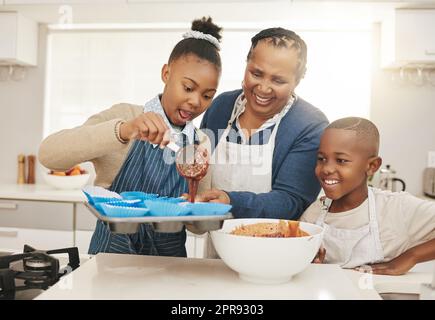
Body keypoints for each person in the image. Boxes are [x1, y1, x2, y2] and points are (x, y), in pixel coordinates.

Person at [38, 17, 223, 257]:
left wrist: (202, 208)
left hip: (169, 268)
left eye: (207, 95)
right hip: (110, 261)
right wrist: (123, 131)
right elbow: (49, 155)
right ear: (166, 73)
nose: (196, 102)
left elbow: (196, 228)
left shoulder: (199, 142)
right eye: (188, 88)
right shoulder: (125, 116)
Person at [197, 28, 329, 221]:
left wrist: (230, 201)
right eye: (256, 74)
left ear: (298, 79)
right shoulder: (221, 107)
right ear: (246, 64)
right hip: (216, 243)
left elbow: (291, 201)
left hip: (275, 244)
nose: (263, 88)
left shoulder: (309, 124)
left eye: (278, 80)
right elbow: (198, 168)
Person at [301, 117, 435, 275]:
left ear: (372, 166)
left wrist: (411, 257)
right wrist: (309, 263)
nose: (327, 169)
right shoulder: (313, 214)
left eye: (341, 160)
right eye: (322, 159)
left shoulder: (396, 208)